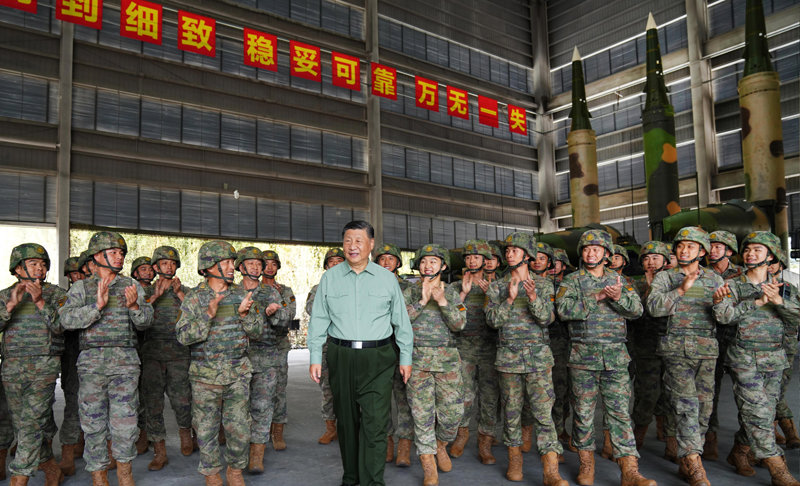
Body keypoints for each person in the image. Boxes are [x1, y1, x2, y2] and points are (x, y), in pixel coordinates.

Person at [308, 220, 413, 486]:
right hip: (341, 355)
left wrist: (406, 358)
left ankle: (372, 482)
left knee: (375, 424)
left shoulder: (386, 279)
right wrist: (313, 357)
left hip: (377, 357)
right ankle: (351, 478)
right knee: (346, 422)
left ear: (370, 245)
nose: (352, 246)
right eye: (347, 241)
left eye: (358, 241)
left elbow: (401, 322)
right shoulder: (330, 278)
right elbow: (319, 320)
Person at [555, 229, 654, 486]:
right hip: (583, 357)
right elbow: (564, 311)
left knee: (619, 414)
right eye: (587, 249)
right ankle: (587, 465)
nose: (591, 253)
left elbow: (636, 311)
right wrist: (597, 297)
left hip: (615, 357)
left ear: (607, 254)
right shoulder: (571, 281)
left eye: (597, 249)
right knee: (584, 413)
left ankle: (629, 470)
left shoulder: (620, 281)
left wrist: (619, 298)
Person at [59, 231, 154, 486]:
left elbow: (146, 322)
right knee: (93, 423)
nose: (119, 257)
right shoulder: (82, 288)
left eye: (122, 253)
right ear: (97, 257)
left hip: (125, 363)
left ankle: (125, 475)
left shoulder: (130, 286)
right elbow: (65, 320)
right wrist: (96, 307)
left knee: (125, 423)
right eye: (113, 252)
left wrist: (135, 307)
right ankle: (99, 477)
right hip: (92, 366)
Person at [713, 231, 800, 486]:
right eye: (748, 249)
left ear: (770, 255)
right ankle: (777, 467)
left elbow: (796, 319)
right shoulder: (732, 285)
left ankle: (739, 451)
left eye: (758, 250)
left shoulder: (784, 287)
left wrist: (778, 301)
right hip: (743, 358)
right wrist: (758, 302)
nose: (751, 254)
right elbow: (724, 317)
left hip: (774, 357)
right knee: (758, 412)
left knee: (765, 412)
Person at [176, 241, 262, 486]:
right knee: (205, 431)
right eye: (225, 262)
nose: (231, 267)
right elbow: (182, 336)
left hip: (237, 375)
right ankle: (212, 475)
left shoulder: (240, 295)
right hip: (205, 378)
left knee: (240, 429)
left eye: (231, 262)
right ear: (208, 266)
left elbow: (256, 332)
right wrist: (207, 316)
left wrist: (245, 315)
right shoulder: (194, 298)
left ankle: (235, 472)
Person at [486, 232, 567, 485]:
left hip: (538, 358)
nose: (509, 254)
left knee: (544, 413)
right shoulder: (497, 286)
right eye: (507, 250)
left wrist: (532, 298)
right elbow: (492, 321)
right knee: (511, 412)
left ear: (527, 255)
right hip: (508, 358)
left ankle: (551, 471)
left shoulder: (543, 285)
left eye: (515, 250)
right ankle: (515, 461)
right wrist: (509, 300)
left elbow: (547, 319)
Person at [646, 226, 722, 486]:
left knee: (704, 409)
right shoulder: (666, 278)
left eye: (690, 246)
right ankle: (694, 464)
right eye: (680, 246)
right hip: (676, 350)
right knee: (685, 406)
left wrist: (723, 304)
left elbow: (724, 317)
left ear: (702, 251)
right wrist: (680, 290)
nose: (684, 250)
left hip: (706, 351)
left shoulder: (714, 280)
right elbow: (654, 308)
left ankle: (687, 458)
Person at [0, 243, 67, 485]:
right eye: (33, 264)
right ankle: (51, 468)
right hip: (12, 368)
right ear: (18, 268)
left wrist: (39, 301)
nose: (40, 268)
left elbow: (61, 327)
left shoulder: (57, 295)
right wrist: (10, 306)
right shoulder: (5, 295)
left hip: (44, 367)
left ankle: (19, 478)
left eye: (43, 264)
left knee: (31, 423)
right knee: (23, 425)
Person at [402, 244, 466, 485]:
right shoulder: (409, 291)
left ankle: (441, 444)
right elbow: (399, 321)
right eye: (423, 262)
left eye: (433, 262)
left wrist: (441, 302)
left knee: (453, 414)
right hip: (417, 361)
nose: (427, 266)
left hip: (447, 362)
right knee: (422, 415)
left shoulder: (451, 293)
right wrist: (421, 301)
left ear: (443, 266)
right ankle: (428, 465)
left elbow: (459, 324)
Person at [140, 246, 193, 471]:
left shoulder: (188, 291)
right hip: (152, 355)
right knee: (153, 404)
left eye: (172, 263)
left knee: (182, 401)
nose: (169, 267)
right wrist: (156, 296)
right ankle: (159, 451)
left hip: (179, 354)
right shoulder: (144, 292)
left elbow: (198, 315)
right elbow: (136, 316)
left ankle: (186, 435)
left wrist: (180, 294)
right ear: (156, 267)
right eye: (164, 264)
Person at [234, 247, 285, 474]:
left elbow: (284, 321)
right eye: (251, 263)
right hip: (238, 359)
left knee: (263, 407)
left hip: (266, 358)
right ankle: (239, 453)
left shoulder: (271, 292)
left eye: (259, 264)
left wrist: (276, 314)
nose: (256, 267)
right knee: (238, 409)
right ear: (241, 267)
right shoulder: (232, 292)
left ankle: (257, 455)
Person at [450, 239, 499, 465]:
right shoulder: (454, 287)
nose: (471, 260)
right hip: (465, 348)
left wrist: (493, 295)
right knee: (464, 397)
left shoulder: (496, 286)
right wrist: (462, 294)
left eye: (476, 257)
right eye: (468, 257)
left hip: (490, 349)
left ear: (484, 260)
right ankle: (461, 435)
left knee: (489, 399)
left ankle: (485, 442)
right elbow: (448, 316)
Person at [704, 230, 744, 459]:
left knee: (747, 392)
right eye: (709, 246)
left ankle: (745, 444)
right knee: (711, 390)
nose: (712, 250)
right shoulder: (702, 275)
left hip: (737, 339)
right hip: (712, 338)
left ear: (729, 251)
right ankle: (711, 437)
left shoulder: (741, 275)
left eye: (718, 247)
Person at [373, 242, 413, 466]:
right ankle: (387, 442)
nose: (386, 262)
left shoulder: (409, 288)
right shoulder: (370, 285)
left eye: (391, 259)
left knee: (404, 400)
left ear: (398, 263)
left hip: (401, 352)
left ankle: (405, 445)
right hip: (378, 352)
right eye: (382, 259)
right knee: (380, 401)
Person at [630, 241, 671, 451]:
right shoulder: (636, 285)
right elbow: (633, 315)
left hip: (672, 346)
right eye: (646, 258)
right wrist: (648, 290)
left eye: (656, 258)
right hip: (646, 347)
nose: (651, 262)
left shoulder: (675, 283)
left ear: (666, 261)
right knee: (647, 392)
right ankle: (639, 433)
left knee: (670, 393)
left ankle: (667, 433)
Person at [306, 248, 346, 447]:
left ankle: (348, 427)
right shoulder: (318, 287)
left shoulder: (355, 286)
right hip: (326, 345)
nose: (336, 264)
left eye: (340, 260)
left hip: (348, 346)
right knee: (328, 389)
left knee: (350, 388)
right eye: (332, 261)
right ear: (327, 266)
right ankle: (331, 428)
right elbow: (312, 310)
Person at [260, 250, 295, 451]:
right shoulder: (250, 290)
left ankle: (277, 432)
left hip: (278, 346)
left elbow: (289, 316)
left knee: (279, 390)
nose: (270, 267)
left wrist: (276, 304)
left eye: (274, 264)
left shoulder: (285, 291)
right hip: (255, 347)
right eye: (266, 264)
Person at [59, 256, 86, 476]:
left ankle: (88, 442)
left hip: (94, 356)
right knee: (73, 404)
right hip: (72, 356)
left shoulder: (92, 292)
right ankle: (69, 449)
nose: (77, 277)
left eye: (80, 273)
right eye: (73, 274)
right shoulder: (65, 297)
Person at [770, 249, 800, 449]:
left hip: (786, 344)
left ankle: (788, 432)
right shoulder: (751, 285)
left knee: (778, 389)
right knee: (769, 392)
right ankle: (778, 432)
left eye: (774, 263)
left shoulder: (789, 286)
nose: (770, 266)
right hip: (763, 344)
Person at [549, 248, 575, 452]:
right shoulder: (540, 285)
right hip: (552, 346)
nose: (551, 265)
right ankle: (556, 432)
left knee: (571, 392)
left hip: (572, 345)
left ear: (563, 266)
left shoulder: (570, 285)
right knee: (557, 391)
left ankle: (565, 428)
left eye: (556, 262)